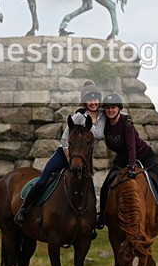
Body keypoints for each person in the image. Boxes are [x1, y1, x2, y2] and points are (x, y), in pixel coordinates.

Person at [14, 80, 105, 224]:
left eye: (95, 99)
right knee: (44, 179)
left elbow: (117, 114)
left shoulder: (104, 116)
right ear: (84, 102)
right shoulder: (78, 117)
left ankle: (91, 221)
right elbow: (64, 139)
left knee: (89, 186)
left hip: (86, 157)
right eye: (89, 100)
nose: (93, 102)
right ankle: (24, 209)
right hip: (66, 153)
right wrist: (70, 159)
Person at [96, 92, 158, 233]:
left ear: (119, 109)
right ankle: (102, 216)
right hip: (122, 158)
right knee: (106, 186)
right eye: (107, 108)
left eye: (113, 108)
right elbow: (92, 113)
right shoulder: (104, 123)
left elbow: (131, 147)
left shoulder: (126, 122)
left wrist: (132, 167)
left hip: (143, 155)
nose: (110, 110)